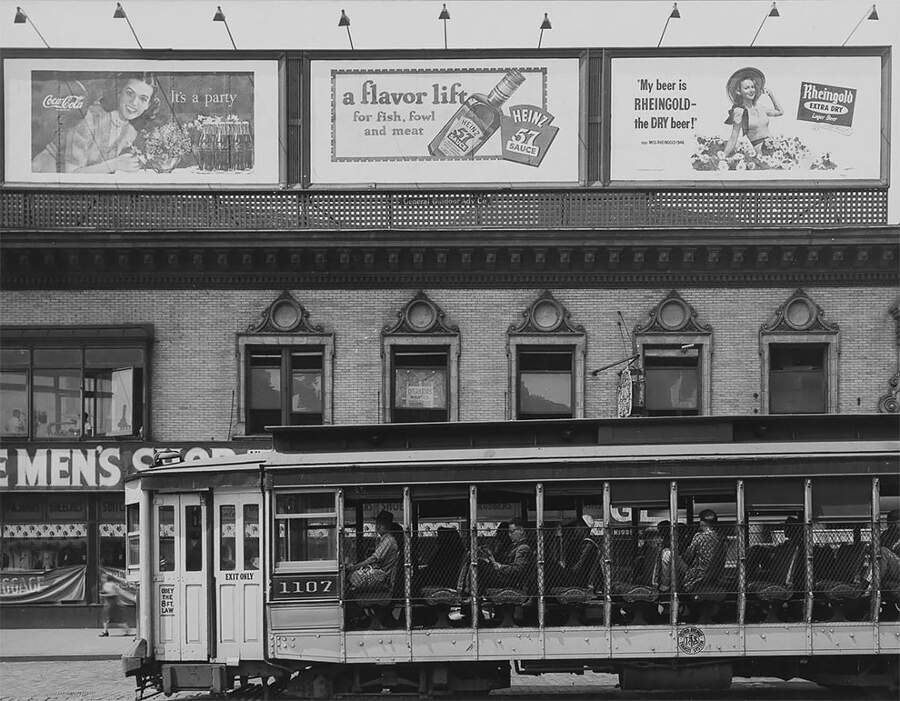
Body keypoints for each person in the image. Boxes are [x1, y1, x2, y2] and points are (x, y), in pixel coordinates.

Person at [32, 73, 160, 174]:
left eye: (143, 99)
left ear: (148, 105)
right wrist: (115, 164)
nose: (134, 102)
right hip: (42, 182)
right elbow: (71, 175)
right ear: (119, 92)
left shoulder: (130, 132)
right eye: (129, 93)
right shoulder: (90, 118)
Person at [723, 67, 783, 158]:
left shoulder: (760, 107)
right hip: (762, 155)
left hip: (775, 148)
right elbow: (733, 138)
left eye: (752, 87)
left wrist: (771, 95)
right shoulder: (739, 112)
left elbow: (780, 112)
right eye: (747, 88)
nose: (751, 90)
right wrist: (723, 156)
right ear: (739, 91)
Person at [348, 510, 399, 591]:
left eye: (382, 524)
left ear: (388, 525)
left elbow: (374, 558)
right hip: (378, 571)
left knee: (353, 575)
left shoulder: (388, 540)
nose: (377, 526)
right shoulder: (383, 539)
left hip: (382, 574)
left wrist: (356, 566)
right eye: (377, 523)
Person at [682, 509, 726, 592]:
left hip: (699, 576)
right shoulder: (721, 538)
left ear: (703, 522)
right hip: (717, 576)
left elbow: (688, 557)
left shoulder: (699, 537)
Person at [482, 518, 534, 589]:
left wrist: (500, 567)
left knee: (481, 566)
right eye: (509, 532)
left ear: (521, 531)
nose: (509, 535)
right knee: (482, 563)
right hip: (506, 576)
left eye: (512, 531)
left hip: (510, 579)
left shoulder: (523, 547)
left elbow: (518, 569)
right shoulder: (513, 546)